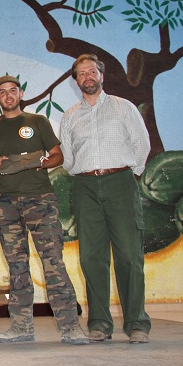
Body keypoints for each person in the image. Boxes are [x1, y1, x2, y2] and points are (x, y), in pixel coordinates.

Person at [0, 75, 89, 345]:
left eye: (13, 91)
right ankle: (21, 327)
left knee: (53, 263)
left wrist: (37, 162)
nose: (8, 95)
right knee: (17, 267)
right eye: (2, 92)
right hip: (5, 203)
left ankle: (70, 327)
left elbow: (58, 156)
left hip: (40, 200)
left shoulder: (38, 122)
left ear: (20, 94)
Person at [59, 54, 151, 344]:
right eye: (81, 73)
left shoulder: (124, 107)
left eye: (92, 71)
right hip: (84, 185)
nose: (87, 76)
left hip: (120, 182)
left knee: (129, 256)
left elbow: (141, 145)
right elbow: (68, 158)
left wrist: (128, 175)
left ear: (101, 75)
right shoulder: (70, 116)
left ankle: (137, 324)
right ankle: (99, 323)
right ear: (76, 81)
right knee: (91, 257)